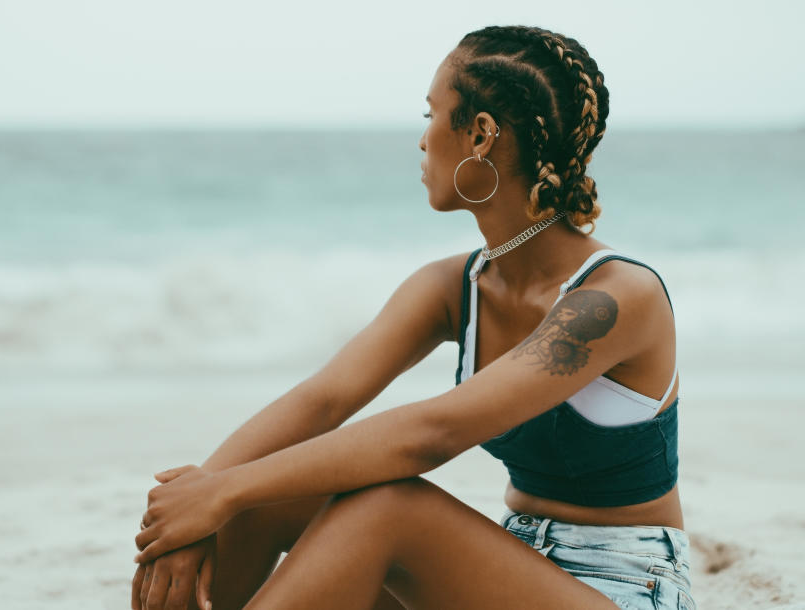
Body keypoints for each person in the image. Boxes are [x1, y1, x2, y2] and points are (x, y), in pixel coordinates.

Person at [131, 25, 696, 610]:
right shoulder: (454, 286)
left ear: (479, 135)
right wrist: (196, 506)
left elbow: (433, 433)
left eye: (431, 113)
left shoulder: (614, 298)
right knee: (265, 496)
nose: (423, 140)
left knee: (384, 508)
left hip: (625, 586)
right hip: (516, 569)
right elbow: (324, 400)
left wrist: (222, 491)